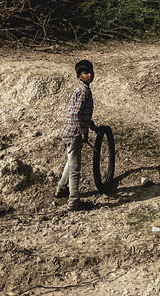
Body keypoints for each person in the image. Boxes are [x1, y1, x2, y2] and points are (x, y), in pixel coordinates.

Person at [56, 59, 96, 210]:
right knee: (75, 168)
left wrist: (91, 125)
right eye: (86, 73)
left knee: (71, 162)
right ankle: (73, 201)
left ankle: (61, 188)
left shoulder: (83, 90)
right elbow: (75, 114)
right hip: (73, 134)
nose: (90, 75)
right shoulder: (83, 91)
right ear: (79, 76)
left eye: (91, 71)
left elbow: (82, 114)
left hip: (69, 133)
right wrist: (82, 132)